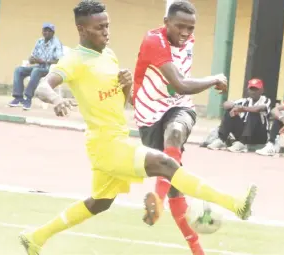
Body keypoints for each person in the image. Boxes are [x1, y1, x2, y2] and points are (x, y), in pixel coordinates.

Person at [19, 1, 257, 254]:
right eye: (100, 27)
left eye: (107, 25)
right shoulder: (74, 60)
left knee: (99, 202)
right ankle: (235, 204)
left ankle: (35, 237)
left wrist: (125, 86)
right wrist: (56, 99)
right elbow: (42, 86)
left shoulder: (108, 55)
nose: (106, 31)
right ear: (82, 29)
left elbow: (121, 103)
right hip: (107, 145)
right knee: (166, 164)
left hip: (113, 140)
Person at [133, 1, 219, 253]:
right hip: (149, 114)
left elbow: (181, 92)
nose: (185, 32)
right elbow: (180, 83)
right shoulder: (154, 41)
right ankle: (195, 247)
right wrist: (215, 79)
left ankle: (157, 199)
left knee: (176, 132)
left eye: (190, 28)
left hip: (179, 106)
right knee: (174, 183)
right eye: (179, 26)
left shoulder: (187, 40)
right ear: (166, 22)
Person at [8, 23, 63, 110]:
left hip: (49, 69)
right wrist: (31, 59)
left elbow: (59, 60)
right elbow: (32, 56)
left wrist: (44, 61)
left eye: (49, 31)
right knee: (18, 70)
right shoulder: (39, 41)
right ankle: (18, 97)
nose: (47, 32)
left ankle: (28, 98)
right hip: (38, 67)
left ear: (53, 33)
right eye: (45, 30)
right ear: (42, 32)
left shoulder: (56, 42)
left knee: (36, 71)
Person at [207, 78, 271, 153]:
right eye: (251, 89)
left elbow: (259, 109)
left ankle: (243, 143)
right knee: (229, 111)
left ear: (261, 90)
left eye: (256, 89)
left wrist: (242, 108)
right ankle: (221, 140)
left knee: (253, 112)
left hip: (260, 135)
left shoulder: (266, 100)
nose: (253, 92)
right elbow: (225, 104)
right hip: (244, 133)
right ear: (248, 90)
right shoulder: (245, 101)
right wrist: (234, 106)